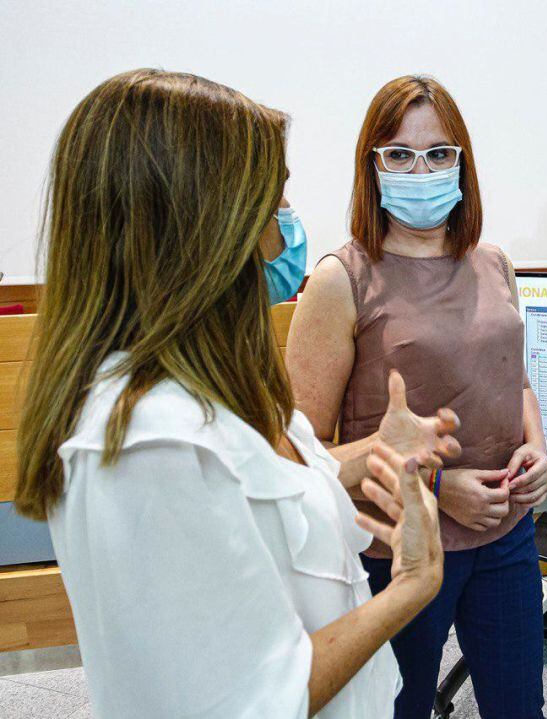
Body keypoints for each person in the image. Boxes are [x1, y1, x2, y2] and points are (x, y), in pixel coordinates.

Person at [13, 68, 459, 718]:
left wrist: (373, 452)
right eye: (273, 205)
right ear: (204, 232)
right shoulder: (149, 443)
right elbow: (255, 699)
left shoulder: (206, 384)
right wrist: (412, 586)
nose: (285, 235)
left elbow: (254, 489)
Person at [286, 75, 547, 719]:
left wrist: (537, 450)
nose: (421, 169)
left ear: (462, 162)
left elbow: (513, 378)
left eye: (438, 153)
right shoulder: (338, 280)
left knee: (520, 707)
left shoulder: (494, 263)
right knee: (394, 708)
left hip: (505, 533)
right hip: (395, 550)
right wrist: (438, 489)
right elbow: (304, 453)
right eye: (399, 154)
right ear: (371, 167)